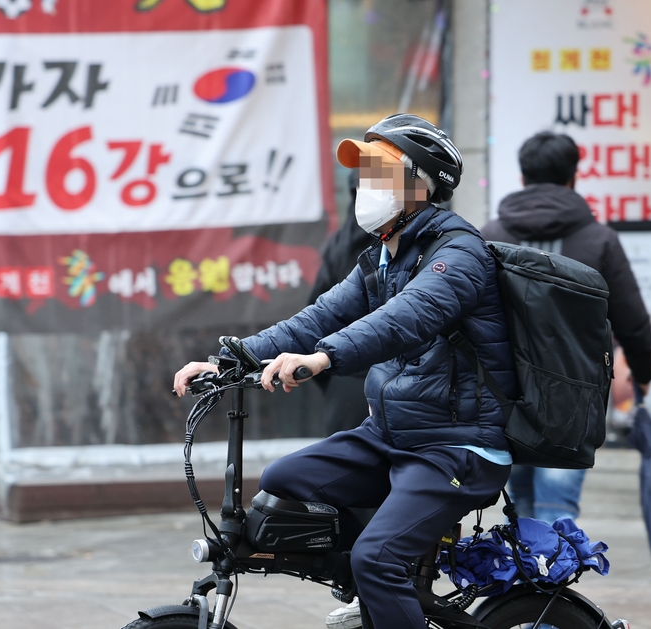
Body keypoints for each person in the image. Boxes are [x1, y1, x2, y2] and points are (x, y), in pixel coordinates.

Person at [174, 114, 517, 629]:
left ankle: (382, 576)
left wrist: (323, 358)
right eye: (365, 172)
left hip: (457, 446)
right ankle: (384, 597)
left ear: (420, 186)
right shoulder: (381, 255)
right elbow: (317, 317)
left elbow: (406, 317)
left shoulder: (460, 252)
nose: (366, 184)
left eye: (380, 172)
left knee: (376, 558)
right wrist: (230, 360)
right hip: (391, 435)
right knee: (284, 480)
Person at [480, 130, 651, 523]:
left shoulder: (490, 237)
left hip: (504, 396)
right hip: (572, 403)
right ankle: (547, 580)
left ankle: (524, 581)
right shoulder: (598, 239)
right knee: (557, 510)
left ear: (523, 178)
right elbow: (632, 319)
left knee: (520, 509)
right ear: (572, 177)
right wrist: (644, 375)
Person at [308, 169, 378, 435]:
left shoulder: (341, 242)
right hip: (393, 387)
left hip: (345, 383)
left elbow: (318, 315)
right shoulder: (404, 245)